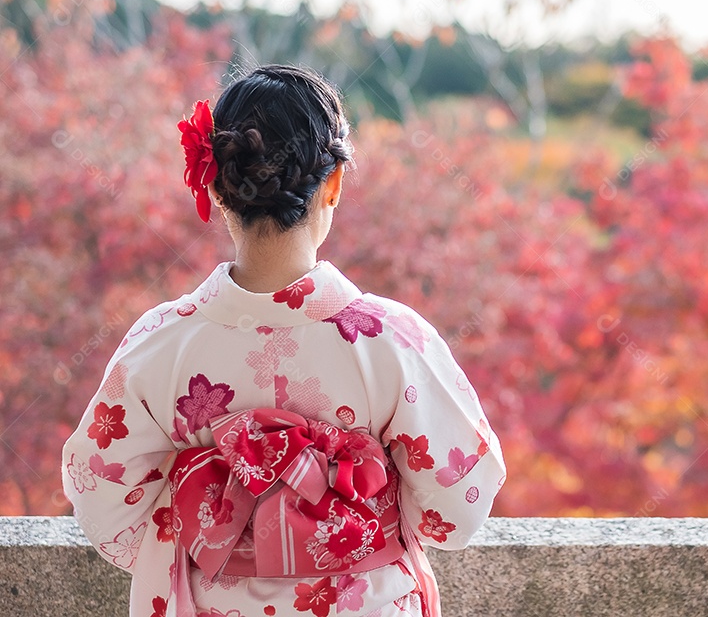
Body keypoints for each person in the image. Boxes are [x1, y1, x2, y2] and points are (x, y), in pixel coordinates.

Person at [61, 64, 506, 617]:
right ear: (334, 183)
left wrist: (212, 521)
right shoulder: (392, 341)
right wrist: (349, 518)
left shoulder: (161, 342)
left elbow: (101, 496)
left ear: (216, 187)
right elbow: (458, 508)